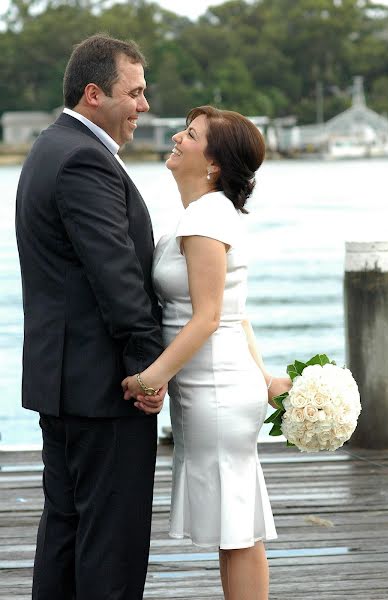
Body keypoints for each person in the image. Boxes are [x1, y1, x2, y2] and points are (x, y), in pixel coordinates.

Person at [15, 34, 166, 600]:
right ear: (95, 93)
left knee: (65, 530)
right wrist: (149, 368)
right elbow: (117, 275)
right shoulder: (83, 158)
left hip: (65, 382)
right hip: (105, 387)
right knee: (112, 544)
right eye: (136, 92)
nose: (144, 106)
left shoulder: (49, 147)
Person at [122, 105, 292, 599]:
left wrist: (151, 378)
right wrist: (264, 380)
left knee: (237, 531)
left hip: (215, 390)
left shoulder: (205, 218)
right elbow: (237, 314)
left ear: (214, 163)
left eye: (191, 134)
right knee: (235, 529)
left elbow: (209, 317)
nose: (177, 136)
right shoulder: (208, 214)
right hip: (219, 384)